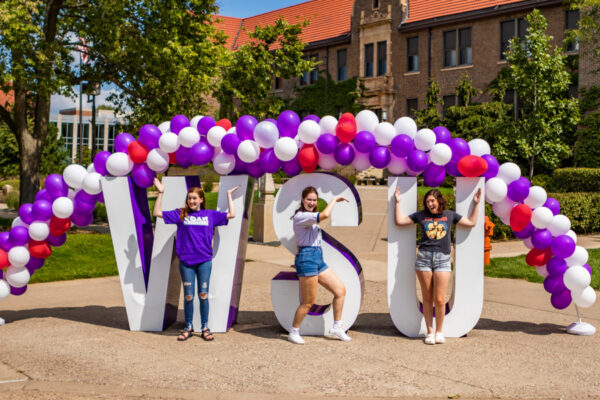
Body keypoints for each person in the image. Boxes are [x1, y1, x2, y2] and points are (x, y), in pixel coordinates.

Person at [153, 177, 239, 341]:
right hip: (186, 262)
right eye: (189, 198)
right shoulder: (181, 214)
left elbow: (232, 214)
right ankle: (188, 327)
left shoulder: (210, 215)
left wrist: (228, 195)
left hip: (204, 261)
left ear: (201, 200)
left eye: (194, 198)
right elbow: (157, 213)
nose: (191, 201)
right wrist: (161, 193)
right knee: (189, 296)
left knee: (203, 294)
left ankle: (205, 327)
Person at [394, 187, 481, 345]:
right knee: (427, 298)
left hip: (443, 259)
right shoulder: (421, 215)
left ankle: (439, 331)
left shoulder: (449, 215)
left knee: (440, 299)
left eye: (432, 201)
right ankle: (429, 331)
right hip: (423, 259)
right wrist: (397, 202)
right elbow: (400, 222)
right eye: (427, 202)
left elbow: (471, 223)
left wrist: (476, 204)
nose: (429, 204)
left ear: (439, 200)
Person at [288, 186, 351, 345]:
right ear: (302, 200)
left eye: (314, 200)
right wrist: (334, 200)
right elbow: (325, 214)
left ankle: (337, 326)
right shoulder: (301, 216)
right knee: (308, 301)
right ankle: (294, 331)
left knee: (340, 290)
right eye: (309, 199)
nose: (311, 202)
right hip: (307, 258)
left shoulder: (309, 217)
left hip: (317, 257)